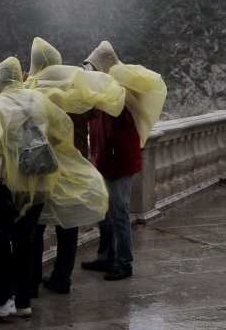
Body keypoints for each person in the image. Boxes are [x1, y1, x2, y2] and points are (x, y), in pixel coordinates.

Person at [0, 56, 100, 319]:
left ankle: (2, 302)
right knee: (25, 243)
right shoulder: (37, 99)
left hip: (8, 187)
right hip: (39, 184)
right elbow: (59, 131)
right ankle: (23, 302)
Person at [24, 37, 125, 295]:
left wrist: (25, 83)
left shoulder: (35, 90)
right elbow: (92, 111)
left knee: (34, 225)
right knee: (67, 225)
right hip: (75, 163)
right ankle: (62, 277)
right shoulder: (74, 89)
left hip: (44, 167)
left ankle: (32, 280)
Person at [80, 40, 166, 282]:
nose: (92, 72)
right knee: (103, 212)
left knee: (119, 213)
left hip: (119, 161)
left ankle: (124, 263)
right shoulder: (104, 91)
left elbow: (117, 124)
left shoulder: (122, 92)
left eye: (95, 67)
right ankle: (106, 256)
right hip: (104, 159)